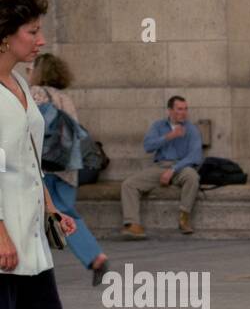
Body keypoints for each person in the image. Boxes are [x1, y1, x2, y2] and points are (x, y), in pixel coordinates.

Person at [0, 0, 80, 309]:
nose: (41, 39)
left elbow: (30, 159)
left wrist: (52, 209)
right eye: (32, 31)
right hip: (4, 232)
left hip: (29, 229)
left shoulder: (20, 84)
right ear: (5, 34)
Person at [29, 53, 108, 286]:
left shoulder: (36, 93)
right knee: (66, 213)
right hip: (69, 166)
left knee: (43, 214)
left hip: (46, 166)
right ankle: (94, 256)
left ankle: (34, 268)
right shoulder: (66, 98)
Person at [120, 95, 203, 238]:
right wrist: (169, 136)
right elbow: (148, 146)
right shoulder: (158, 126)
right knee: (129, 184)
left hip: (181, 167)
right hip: (160, 166)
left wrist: (173, 170)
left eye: (185, 109)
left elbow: (195, 156)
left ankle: (184, 217)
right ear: (170, 110)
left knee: (192, 177)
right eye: (179, 109)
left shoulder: (191, 129)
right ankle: (133, 225)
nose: (183, 112)